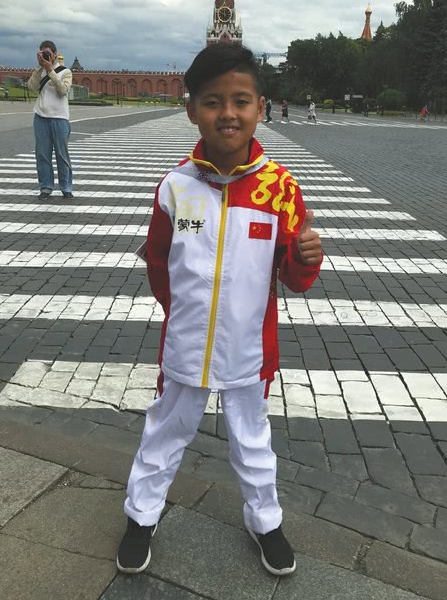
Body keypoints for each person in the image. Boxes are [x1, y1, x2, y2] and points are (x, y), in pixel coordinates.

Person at [117, 44, 322, 577]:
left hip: (250, 350)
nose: (227, 113)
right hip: (184, 346)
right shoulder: (175, 187)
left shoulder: (281, 190)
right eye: (212, 101)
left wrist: (306, 259)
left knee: (253, 441)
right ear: (192, 110)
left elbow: (293, 275)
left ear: (260, 107)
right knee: (164, 432)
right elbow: (159, 264)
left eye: (240, 101)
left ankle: (265, 521)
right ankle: (141, 515)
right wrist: (183, 314)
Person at [27, 40, 74, 199]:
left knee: (62, 154)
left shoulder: (65, 72)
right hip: (40, 117)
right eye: (42, 53)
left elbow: (63, 90)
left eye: (48, 53)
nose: (46, 56)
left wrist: (50, 70)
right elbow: (31, 87)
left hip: (60, 118)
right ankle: (46, 187)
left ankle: (66, 186)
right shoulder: (39, 71)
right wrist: (40, 67)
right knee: (42, 154)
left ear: (54, 54)